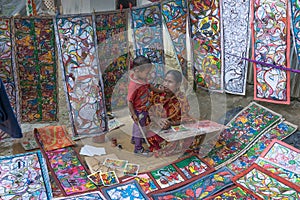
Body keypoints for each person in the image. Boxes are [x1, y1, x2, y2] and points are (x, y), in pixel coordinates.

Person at [147, 70, 204, 157]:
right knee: (155, 137)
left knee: (196, 134)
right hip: (156, 125)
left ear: (178, 85)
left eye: (170, 82)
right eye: (165, 80)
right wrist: (157, 119)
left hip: (173, 126)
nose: (166, 84)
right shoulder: (156, 95)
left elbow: (184, 117)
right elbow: (147, 111)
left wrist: (171, 123)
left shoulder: (181, 98)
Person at [127, 55, 163, 156]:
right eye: (147, 73)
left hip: (144, 108)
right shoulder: (134, 85)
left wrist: (160, 91)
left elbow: (150, 86)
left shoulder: (143, 79)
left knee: (138, 126)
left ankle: (135, 140)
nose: (148, 75)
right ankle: (138, 148)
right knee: (139, 128)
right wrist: (133, 114)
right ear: (137, 70)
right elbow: (129, 102)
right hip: (138, 111)